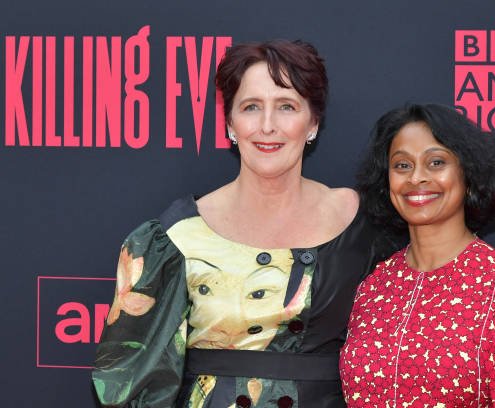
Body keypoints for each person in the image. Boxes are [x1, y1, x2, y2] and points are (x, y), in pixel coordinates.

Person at [92, 40, 402, 408]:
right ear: (230, 123)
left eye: (286, 107)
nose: (267, 126)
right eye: (251, 107)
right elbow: (129, 384)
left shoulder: (364, 225)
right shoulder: (175, 238)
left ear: (313, 122)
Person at [339, 103, 495, 407]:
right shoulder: (375, 287)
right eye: (402, 165)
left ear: (467, 174)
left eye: (436, 162)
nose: (416, 178)